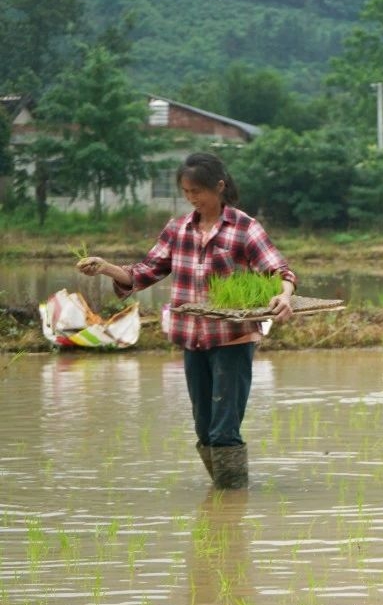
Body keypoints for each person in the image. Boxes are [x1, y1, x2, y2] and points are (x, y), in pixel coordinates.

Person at [76, 152, 296, 490]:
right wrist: (105, 267)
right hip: (192, 340)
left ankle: (230, 507)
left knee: (223, 430)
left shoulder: (244, 227)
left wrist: (284, 294)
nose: (192, 198)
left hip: (232, 340)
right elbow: (144, 273)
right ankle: (225, 496)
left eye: (198, 191)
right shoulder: (178, 229)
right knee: (203, 428)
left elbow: (280, 271)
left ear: (219, 187)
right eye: (186, 192)